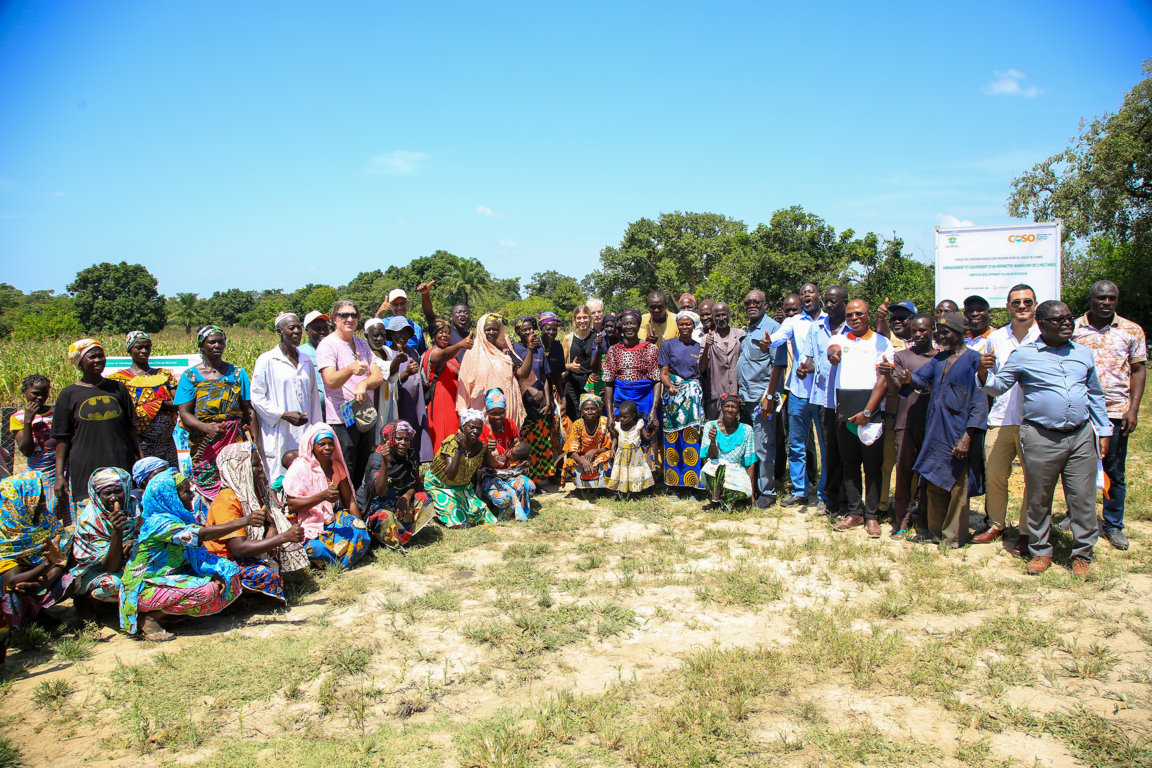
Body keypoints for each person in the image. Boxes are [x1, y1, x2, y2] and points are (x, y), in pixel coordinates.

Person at [978, 300, 1112, 577]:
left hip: (1080, 435)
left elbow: (1095, 393)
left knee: (1082, 498)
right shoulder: (1024, 355)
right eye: (1057, 319)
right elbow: (999, 387)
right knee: (1039, 497)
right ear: (1041, 324)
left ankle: (1082, 554)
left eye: (1068, 318)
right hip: (1040, 436)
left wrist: (1104, 430)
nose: (1066, 323)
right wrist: (983, 373)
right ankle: (1040, 550)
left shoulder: (1083, 353)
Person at [119, 469, 245, 641]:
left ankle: (170, 615)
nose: (192, 495)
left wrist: (211, 574)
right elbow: (201, 535)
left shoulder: (182, 518)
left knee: (228, 573)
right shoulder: (160, 523)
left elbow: (197, 555)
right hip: (144, 587)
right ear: (168, 496)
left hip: (169, 580)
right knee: (206, 590)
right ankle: (149, 617)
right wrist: (244, 521)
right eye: (186, 491)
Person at [899, 312, 988, 547]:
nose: (941, 336)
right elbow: (920, 379)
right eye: (939, 331)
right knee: (934, 481)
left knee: (958, 486)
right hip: (936, 430)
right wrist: (909, 379)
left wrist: (968, 436)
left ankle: (953, 537)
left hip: (959, 431)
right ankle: (936, 533)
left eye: (946, 332)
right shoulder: (939, 360)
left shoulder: (974, 360)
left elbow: (980, 401)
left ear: (960, 334)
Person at [1070, 280, 1146, 551]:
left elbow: (1138, 370)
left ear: (1117, 300)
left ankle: (1113, 524)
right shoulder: (1073, 328)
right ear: (1091, 299)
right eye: (1101, 298)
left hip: (1114, 411)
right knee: (1076, 469)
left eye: (1112, 299)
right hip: (1078, 410)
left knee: (1114, 469)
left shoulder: (1131, 330)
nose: (1106, 303)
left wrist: (1132, 408)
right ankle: (1076, 517)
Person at [972, 285, 1040, 549]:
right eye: (1016, 303)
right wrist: (981, 370)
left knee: (1033, 479)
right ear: (1008, 306)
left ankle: (1026, 530)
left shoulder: (1044, 336)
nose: (1022, 306)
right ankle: (996, 524)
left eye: (1027, 302)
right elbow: (989, 379)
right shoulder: (996, 338)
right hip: (1000, 417)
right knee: (995, 475)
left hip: (1033, 420)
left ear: (1035, 304)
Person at [205, 442, 307, 602]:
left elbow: (269, 528)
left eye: (260, 463)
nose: (261, 469)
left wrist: (275, 530)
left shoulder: (254, 494)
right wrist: (285, 537)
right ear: (238, 468)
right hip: (225, 560)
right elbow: (238, 549)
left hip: (246, 554)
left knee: (280, 554)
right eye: (255, 465)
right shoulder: (227, 500)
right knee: (264, 575)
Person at [52, 339, 141, 519]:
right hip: (86, 466)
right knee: (92, 520)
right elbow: (62, 439)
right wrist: (59, 475)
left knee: (126, 518)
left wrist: (141, 460)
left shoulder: (117, 388)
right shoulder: (68, 394)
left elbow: (131, 429)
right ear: (79, 363)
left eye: (101, 355)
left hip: (120, 463)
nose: (98, 360)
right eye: (92, 356)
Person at [826, 299, 893, 537]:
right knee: (849, 464)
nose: (854, 318)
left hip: (870, 413)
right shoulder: (840, 339)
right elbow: (831, 351)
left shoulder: (881, 342)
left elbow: (883, 379)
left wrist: (867, 412)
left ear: (867, 315)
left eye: (859, 314)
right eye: (850, 315)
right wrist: (833, 355)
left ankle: (872, 517)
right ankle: (855, 512)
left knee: (873, 467)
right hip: (845, 414)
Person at [175, 326, 251, 512]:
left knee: (238, 481)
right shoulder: (190, 376)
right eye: (212, 342)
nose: (217, 345)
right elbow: (184, 413)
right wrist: (207, 429)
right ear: (202, 346)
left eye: (221, 341)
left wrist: (254, 441)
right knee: (208, 481)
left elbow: (248, 410)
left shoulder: (237, 374)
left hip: (234, 438)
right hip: (204, 441)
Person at [0, 472, 73, 662]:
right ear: (19, 503)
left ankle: (40, 614)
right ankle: (17, 628)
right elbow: (12, 579)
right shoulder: (4, 534)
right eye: (37, 500)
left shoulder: (44, 521)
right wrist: (47, 564)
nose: (43, 504)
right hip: (18, 587)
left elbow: (61, 553)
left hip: (41, 582)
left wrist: (46, 582)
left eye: (41, 498)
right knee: (13, 588)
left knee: (74, 568)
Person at [316, 300, 383, 488]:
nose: (350, 319)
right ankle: (343, 511)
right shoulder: (328, 345)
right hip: (341, 419)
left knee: (362, 465)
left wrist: (363, 383)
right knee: (344, 467)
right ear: (334, 319)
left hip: (363, 415)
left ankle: (358, 509)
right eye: (344, 315)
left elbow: (377, 377)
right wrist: (351, 369)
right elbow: (330, 380)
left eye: (354, 315)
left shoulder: (362, 344)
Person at [283, 423, 369, 568]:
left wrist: (361, 526)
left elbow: (349, 501)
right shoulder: (300, 468)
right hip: (308, 520)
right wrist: (322, 497)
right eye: (322, 444)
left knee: (359, 532)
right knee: (316, 548)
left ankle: (335, 561)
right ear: (312, 445)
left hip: (333, 517)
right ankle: (341, 561)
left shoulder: (336, 466)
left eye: (330, 444)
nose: (327, 448)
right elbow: (292, 505)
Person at [769, 285, 823, 510]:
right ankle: (800, 491)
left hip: (823, 393)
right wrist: (768, 341)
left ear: (817, 295)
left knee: (825, 445)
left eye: (810, 292)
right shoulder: (793, 322)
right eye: (803, 293)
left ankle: (823, 493)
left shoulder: (828, 322)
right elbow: (778, 338)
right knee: (796, 444)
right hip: (797, 391)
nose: (807, 296)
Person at [251, 312, 322, 482]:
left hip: (304, 431)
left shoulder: (305, 361)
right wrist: (283, 414)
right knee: (278, 478)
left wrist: (317, 430)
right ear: (280, 331)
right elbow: (256, 396)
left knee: (304, 476)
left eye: (299, 327)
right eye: (292, 328)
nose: (297, 331)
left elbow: (313, 399)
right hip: (278, 432)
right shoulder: (267, 360)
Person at [737, 290, 787, 508]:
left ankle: (767, 491)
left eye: (756, 302)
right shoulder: (748, 330)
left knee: (764, 446)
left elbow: (778, 366)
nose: (752, 305)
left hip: (762, 399)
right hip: (744, 398)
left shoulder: (773, 330)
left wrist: (768, 397)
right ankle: (750, 488)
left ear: (765, 305)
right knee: (749, 446)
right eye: (748, 302)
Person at [887, 315, 934, 539]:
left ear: (932, 330)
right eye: (915, 330)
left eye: (923, 330)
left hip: (932, 425)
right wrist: (897, 378)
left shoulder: (940, 358)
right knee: (904, 474)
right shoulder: (902, 356)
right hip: (904, 423)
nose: (918, 334)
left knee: (927, 477)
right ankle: (901, 521)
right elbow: (897, 388)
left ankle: (923, 522)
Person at [70, 468, 140, 614]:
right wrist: (117, 532)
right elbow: (111, 566)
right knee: (117, 584)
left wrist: (134, 541)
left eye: (118, 492)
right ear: (97, 496)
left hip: (126, 564)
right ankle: (89, 601)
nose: (114, 498)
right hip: (97, 570)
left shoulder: (134, 508)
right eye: (107, 493)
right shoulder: (89, 521)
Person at [602, 310, 662, 476]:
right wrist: (609, 415)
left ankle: (647, 480)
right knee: (622, 437)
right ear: (620, 326)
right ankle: (623, 477)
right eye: (625, 323)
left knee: (646, 436)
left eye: (632, 323)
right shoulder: (614, 350)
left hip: (645, 399)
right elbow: (608, 382)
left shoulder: (650, 349)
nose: (629, 327)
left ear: (638, 325)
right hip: (621, 399)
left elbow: (657, 380)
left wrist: (653, 410)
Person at [106, 331, 180, 466]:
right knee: (144, 476)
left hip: (166, 441)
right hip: (139, 441)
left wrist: (158, 404)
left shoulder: (164, 374)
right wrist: (155, 404)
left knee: (170, 478)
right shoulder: (119, 379)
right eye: (138, 347)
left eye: (147, 347)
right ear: (130, 349)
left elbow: (179, 402)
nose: (144, 351)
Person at [358, 421, 432, 549]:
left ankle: (403, 535)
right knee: (385, 517)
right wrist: (385, 463)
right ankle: (386, 538)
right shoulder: (377, 458)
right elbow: (379, 491)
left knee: (425, 499)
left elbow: (415, 483)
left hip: (398, 504)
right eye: (399, 438)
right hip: (376, 507)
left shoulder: (409, 456)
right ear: (389, 440)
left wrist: (406, 497)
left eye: (407, 439)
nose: (403, 443)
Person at [873, 300, 916, 519]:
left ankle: (908, 506)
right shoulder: (889, 344)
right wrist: (880, 318)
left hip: (915, 415)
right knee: (886, 463)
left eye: (903, 318)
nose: (897, 322)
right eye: (894, 319)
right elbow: (882, 333)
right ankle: (881, 506)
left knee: (910, 465)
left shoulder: (926, 344)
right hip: (891, 413)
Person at [658, 311, 706, 493]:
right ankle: (674, 485)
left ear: (694, 326)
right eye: (682, 324)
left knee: (691, 438)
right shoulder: (668, 345)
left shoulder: (698, 347)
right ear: (677, 325)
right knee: (673, 439)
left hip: (692, 398)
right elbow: (663, 373)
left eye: (689, 324)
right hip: (673, 396)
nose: (685, 327)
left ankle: (692, 484)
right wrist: (669, 385)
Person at [511, 315, 562, 484]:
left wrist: (548, 402)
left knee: (542, 441)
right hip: (524, 403)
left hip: (541, 404)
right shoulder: (514, 349)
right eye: (523, 330)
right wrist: (530, 389)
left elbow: (546, 377)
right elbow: (515, 377)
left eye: (530, 329)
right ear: (518, 332)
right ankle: (527, 478)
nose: (528, 332)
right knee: (526, 443)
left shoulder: (539, 348)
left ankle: (542, 477)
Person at [425, 411, 499, 528]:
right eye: (471, 427)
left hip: (461, 487)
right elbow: (450, 474)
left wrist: (490, 450)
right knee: (456, 519)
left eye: (479, 428)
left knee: (482, 514)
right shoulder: (452, 442)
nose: (475, 431)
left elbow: (491, 464)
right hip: (441, 486)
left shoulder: (481, 447)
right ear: (462, 427)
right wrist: (459, 450)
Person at [459, 313, 532, 427]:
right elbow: (463, 385)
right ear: (481, 330)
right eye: (488, 330)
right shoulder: (472, 353)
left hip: (507, 407)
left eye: (495, 329)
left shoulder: (506, 351)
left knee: (508, 439)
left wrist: (531, 349)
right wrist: (463, 413)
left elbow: (523, 373)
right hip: (482, 408)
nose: (492, 333)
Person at [477, 389, 535, 520]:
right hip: (489, 474)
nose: (498, 417)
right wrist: (486, 449)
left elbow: (519, 447)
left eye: (501, 412)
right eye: (493, 413)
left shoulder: (510, 424)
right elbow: (477, 458)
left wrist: (527, 459)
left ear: (505, 410)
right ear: (487, 411)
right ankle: (493, 501)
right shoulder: (482, 429)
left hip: (509, 472)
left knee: (530, 487)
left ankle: (511, 499)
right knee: (503, 498)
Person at [700, 393, 757, 511]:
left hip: (737, 470)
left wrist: (751, 495)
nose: (730, 410)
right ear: (721, 407)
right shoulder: (710, 426)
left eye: (734, 407)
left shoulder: (747, 430)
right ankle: (717, 501)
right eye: (727, 406)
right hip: (718, 470)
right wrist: (712, 441)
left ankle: (727, 501)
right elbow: (711, 456)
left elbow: (750, 462)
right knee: (713, 468)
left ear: (738, 410)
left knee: (739, 491)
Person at [423, 319, 473, 454]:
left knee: (456, 442)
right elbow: (443, 355)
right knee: (444, 441)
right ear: (433, 335)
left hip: (454, 404)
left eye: (447, 332)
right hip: (441, 403)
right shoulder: (433, 353)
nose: (445, 335)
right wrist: (461, 345)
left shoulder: (452, 356)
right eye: (441, 332)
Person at [387, 317, 433, 462]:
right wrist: (406, 373)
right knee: (400, 435)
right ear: (392, 335)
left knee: (415, 434)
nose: (402, 336)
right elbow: (389, 381)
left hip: (415, 402)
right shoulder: (389, 354)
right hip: (399, 403)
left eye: (405, 332)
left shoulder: (414, 353)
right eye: (398, 332)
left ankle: (415, 468)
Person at [11, 375, 58, 510]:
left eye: (44, 393)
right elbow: (27, 451)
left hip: (62, 464)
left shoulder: (57, 411)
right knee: (43, 507)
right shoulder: (17, 418)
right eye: (35, 394)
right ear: (24, 392)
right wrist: (28, 421)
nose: (40, 398)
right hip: (39, 467)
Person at [700, 302, 744, 420]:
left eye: (724, 315)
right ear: (713, 318)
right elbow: (702, 368)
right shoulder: (706, 339)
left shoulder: (740, 335)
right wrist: (707, 348)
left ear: (729, 315)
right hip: (716, 396)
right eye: (717, 316)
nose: (721, 318)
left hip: (737, 393)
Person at [561, 394, 612, 490]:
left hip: (598, 454)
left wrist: (594, 451)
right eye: (586, 409)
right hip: (582, 456)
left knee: (607, 455)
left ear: (598, 411)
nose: (590, 412)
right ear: (581, 410)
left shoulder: (604, 421)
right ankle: (583, 486)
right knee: (572, 460)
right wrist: (583, 461)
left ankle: (604, 486)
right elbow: (571, 450)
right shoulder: (578, 424)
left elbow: (608, 446)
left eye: (593, 409)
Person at [363, 317, 404, 430]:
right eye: (375, 336)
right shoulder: (366, 353)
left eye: (383, 335)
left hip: (390, 397)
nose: (379, 339)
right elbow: (386, 370)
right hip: (376, 398)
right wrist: (397, 360)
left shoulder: (387, 350)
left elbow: (393, 376)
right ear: (367, 336)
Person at [561, 305, 601, 421]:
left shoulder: (596, 337)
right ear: (574, 320)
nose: (582, 321)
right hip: (572, 383)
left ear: (590, 318)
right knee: (573, 416)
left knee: (591, 416)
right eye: (579, 318)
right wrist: (570, 366)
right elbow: (561, 366)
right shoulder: (569, 338)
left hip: (591, 383)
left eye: (585, 317)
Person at [608, 401, 655, 496]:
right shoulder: (618, 426)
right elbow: (615, 438)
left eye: (625, 417)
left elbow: (647, 437)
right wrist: (613, 448)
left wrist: (655, 429)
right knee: (622, 472)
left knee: (636, 473)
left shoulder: (639, 425)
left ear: (633, 416)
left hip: (635, 455)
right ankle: (623, 491)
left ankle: (636, 493)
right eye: (620, 416)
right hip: (622, 455)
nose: (621, 419)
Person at [416, 281, 471, 363]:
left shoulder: (472, 337)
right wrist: (425, 294)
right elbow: (429, 314)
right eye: (459, 312)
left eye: (466, 313)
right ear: (451, 317)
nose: (463, 315)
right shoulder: (446, 332)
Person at [375, 288, 427, 355]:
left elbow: (421, 355)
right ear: (390, 306)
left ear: (408, 303)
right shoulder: (382, 324)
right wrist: (378, 315)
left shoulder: (417, 329)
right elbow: (372, 341)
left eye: (402, 303)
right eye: (395, 304)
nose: (399, 307)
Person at [299, 310, 331, 417]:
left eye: (325, 328)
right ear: (307, 330)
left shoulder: (334, 349)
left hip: (335, 412)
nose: (322, 331)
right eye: (317, 329)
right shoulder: (299, 353)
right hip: (313, 413)